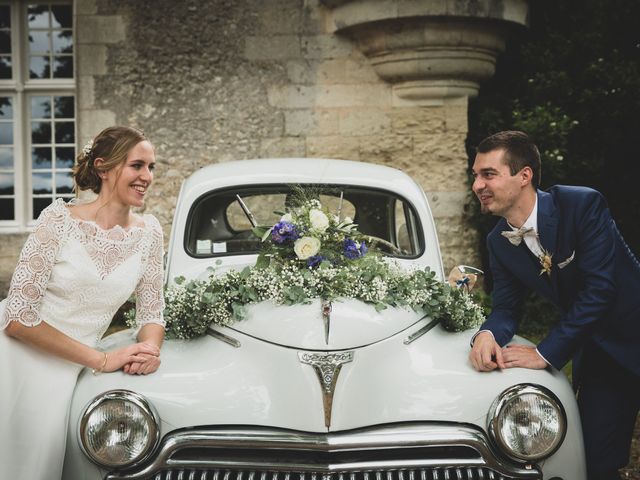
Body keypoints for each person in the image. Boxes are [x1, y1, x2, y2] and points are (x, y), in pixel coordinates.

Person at [468, 130, 640, 479]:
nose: (477, 185)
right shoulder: (498, 243)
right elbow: (506, 308)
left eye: (488, 174)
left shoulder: (581, 204)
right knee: (595, 462)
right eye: (475, 175)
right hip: (600, 353)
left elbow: (599, 290)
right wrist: (486, 334)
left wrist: (544, 353)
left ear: (524, 176)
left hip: (635, 325)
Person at [0, 126, 166, 479]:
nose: (147, 177)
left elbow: (152, 310)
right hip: (13, 363)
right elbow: (16, 320)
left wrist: (149, 350)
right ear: (104, 169)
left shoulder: (150, 232)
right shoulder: (57, 220)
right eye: (137, 166)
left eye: (151, 167)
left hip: (70, 375)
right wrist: (102, 359)